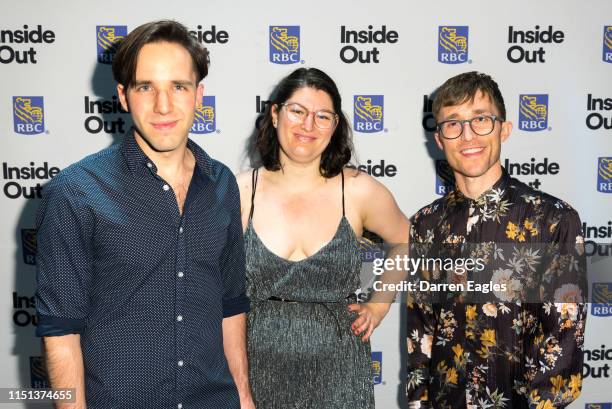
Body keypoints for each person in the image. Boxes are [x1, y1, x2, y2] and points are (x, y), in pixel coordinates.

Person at [35, 20, 254, 409]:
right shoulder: (74, 191)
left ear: (199, 94)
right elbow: (61, 332)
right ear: (123, 96)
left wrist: (244, 398)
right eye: (145, 87)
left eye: (179, 87)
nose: (163, 106)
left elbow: (231, 306)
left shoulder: (222, 184)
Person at [406, 72, 587, 409]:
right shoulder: (425, 224)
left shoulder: (553, 219)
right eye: (453, 124)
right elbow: (421, 334)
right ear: (439, 139)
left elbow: (563, 344)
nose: (468, 135)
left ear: (504, 129)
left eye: (481, 120)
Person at [236, 67, 410, 408]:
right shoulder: (242, 191)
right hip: (258, 367)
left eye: (322, 116)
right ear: (275, 114)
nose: (308, 125)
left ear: (335, 125)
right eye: (297, 111)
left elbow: (406, 241)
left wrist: (378, 305)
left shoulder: (359, 191)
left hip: (340, 371)